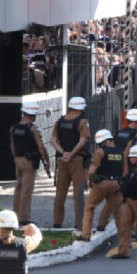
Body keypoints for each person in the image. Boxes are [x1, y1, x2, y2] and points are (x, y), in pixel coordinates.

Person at [51, 97, 91, 228]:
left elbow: (53, 141)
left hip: (62, 161)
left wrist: (63, 153)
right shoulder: (83, 122)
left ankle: (57, 223)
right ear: (81, 108)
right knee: (78, 194)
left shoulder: (59, 121)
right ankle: (79, 224)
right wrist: (71, 154)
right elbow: (82, 142)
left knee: (59, 194)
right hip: (77, 160)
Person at [79, 130, 124, 241]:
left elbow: (91, 170)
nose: (101, 145)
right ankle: (125, 239)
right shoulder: (121, 152)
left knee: (89, 207)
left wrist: (89, 180)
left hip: (102, 184)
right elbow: (125, 171)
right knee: (119, 213)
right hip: (116, 185)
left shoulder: (100, 152)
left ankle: (85, 235)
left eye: (101, 143)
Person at [9, 103, 49, 226]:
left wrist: (16, 158)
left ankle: (15, 216)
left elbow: (12, 146)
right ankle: (24, 219)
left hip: (18, 160)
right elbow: (41, 147)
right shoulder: (33, 128)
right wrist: (47, 161)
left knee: (18, 189)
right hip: (29, 161)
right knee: (26, 190)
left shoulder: (13, 128)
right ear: (32, 115)